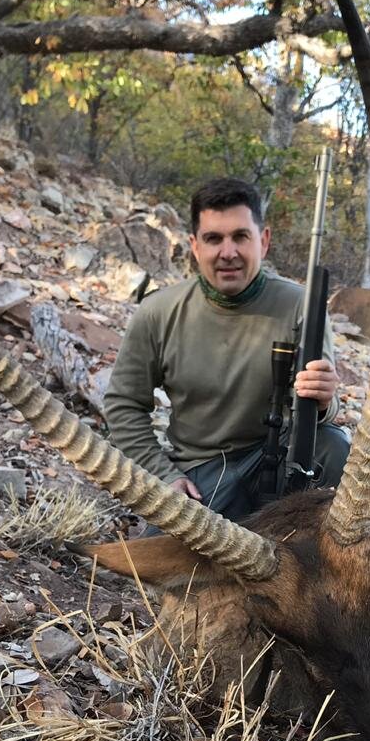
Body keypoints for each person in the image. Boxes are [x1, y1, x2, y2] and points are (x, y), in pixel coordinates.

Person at [104, 177, 350, 521]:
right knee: (173, 570)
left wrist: (325, 400)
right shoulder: (158, 312)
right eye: (213, 239)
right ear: (194, 246)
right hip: (202, 475)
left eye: (240, 236)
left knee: (334, 446)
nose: (228, 252)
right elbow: (123, 404)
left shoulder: (302, 305)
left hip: (276, 458)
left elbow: (322, 411)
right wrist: (164, 475)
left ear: (263, 241)